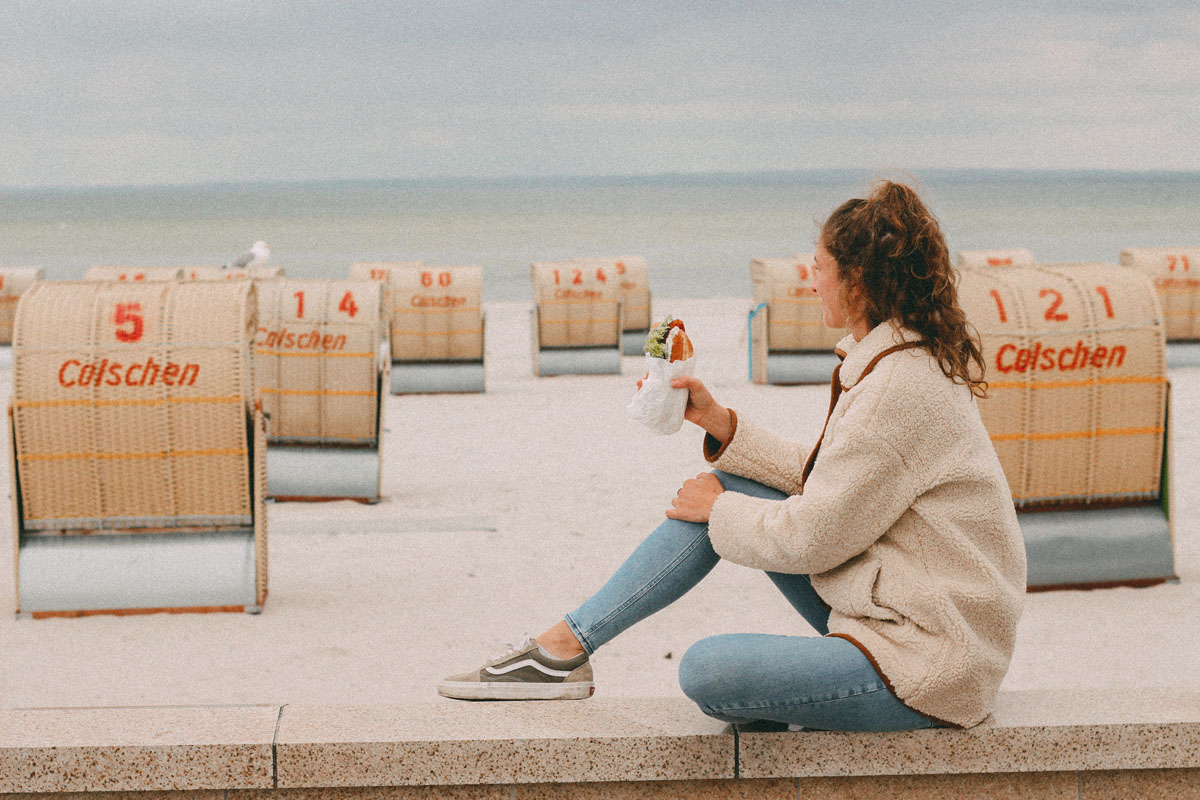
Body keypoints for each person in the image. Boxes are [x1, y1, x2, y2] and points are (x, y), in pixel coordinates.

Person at [439, 181, 1027, 731]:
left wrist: (717, 512)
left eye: (819, 268)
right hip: (903, 615)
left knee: (707, 670)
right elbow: (833, 481)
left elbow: (811, 538)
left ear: (857, 282)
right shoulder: (898, 363)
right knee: (729, 482)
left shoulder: (900, 389)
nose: (810, 280)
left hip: (930, 664)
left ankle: (562, 651)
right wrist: (719, 423)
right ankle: (562, 648)